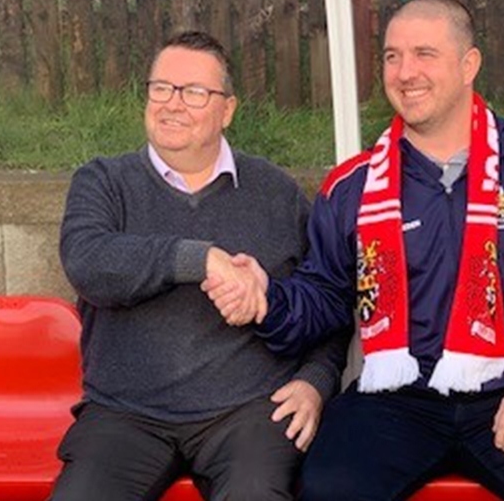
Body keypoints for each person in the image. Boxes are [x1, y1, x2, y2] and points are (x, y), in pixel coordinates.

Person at [206, 0, 504, 500]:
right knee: (328, 488)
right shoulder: (352, 187)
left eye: (425, 54)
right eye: (391, 56)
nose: (405, 73)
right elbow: (326, 297)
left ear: (469, 64)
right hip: (395, 398)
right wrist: (268, 299)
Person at [50, 30, 350, 501]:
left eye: (193, 92)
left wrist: (316, 380)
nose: (172, 104)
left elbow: (327, 303)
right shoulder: (105, 181)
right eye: (161, 88)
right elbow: (88, 261)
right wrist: (199, 258)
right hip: (125, 412)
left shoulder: (275, 193)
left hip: (247, 411)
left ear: (227, 109)